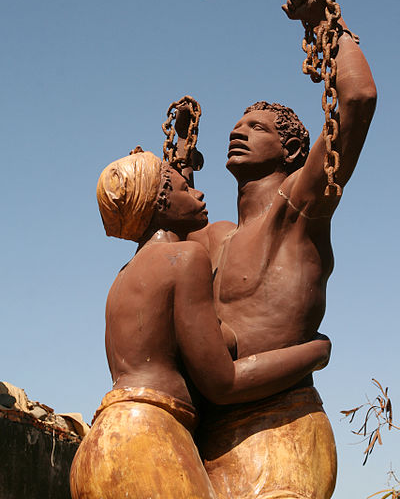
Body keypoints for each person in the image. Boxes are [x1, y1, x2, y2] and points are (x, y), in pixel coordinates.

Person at [189, 0, 377, 499]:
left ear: (291, 150)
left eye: (257, 127)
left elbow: (358, 99)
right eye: (237, 125)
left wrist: (326, 26)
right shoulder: (214, 239)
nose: (238, 130)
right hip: (209, 436)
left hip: (282, 428)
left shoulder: (298, 208)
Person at [70, 148, 331, 499]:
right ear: (161, 202)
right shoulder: (185, 258)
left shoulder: (124, 277)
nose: (198, 193)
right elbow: (223, 383)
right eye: (184, 189)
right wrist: (315, 352)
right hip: (149, 441)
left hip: (102, 442)